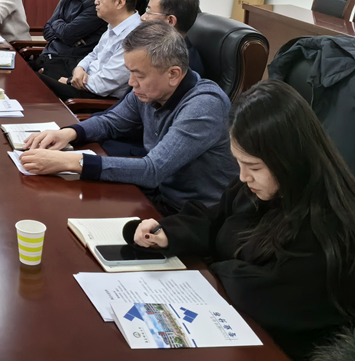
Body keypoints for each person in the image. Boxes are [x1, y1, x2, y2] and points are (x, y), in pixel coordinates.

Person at [133, 80, 355, 360]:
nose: (243, 176)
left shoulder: (327, 225)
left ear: (289, 158)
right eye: (238, 162)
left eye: (253, 167)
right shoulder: (260, 188)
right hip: (232, 322)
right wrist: (168, 232)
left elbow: (260, 295)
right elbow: (215, 219)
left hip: (278, 346)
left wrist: (213, 265)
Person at [21, 21, 237, 215]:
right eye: (130, 72)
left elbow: (153, 170)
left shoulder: (204, 105)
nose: (131, 82)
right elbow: (111, 121)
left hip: (194, 214)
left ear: (173, 74)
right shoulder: (149, 90)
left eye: (139, 75)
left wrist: (71, 162)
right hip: (157, 196)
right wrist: (69, 133)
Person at [37, 0, 140, 101]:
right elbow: (93, 54)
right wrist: (80, 68)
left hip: (96, 97)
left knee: (35, 82)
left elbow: (104, 84)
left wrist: (70, 80)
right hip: (85, 82)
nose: (96, 2)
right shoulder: (113, 26)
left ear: (120, 2)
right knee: (35, 75)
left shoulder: (135, 36)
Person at [31, 0, 107, 79]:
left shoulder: (98, 3)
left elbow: (67, 34)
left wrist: (60, 26)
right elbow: (47, 31)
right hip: (48, 57)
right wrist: (64, 30)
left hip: (68, 66)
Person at [142, 0, 205, 77]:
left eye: (149, 12)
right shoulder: (157, 47)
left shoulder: (182, 66)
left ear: (170, 21)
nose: (143, 17)